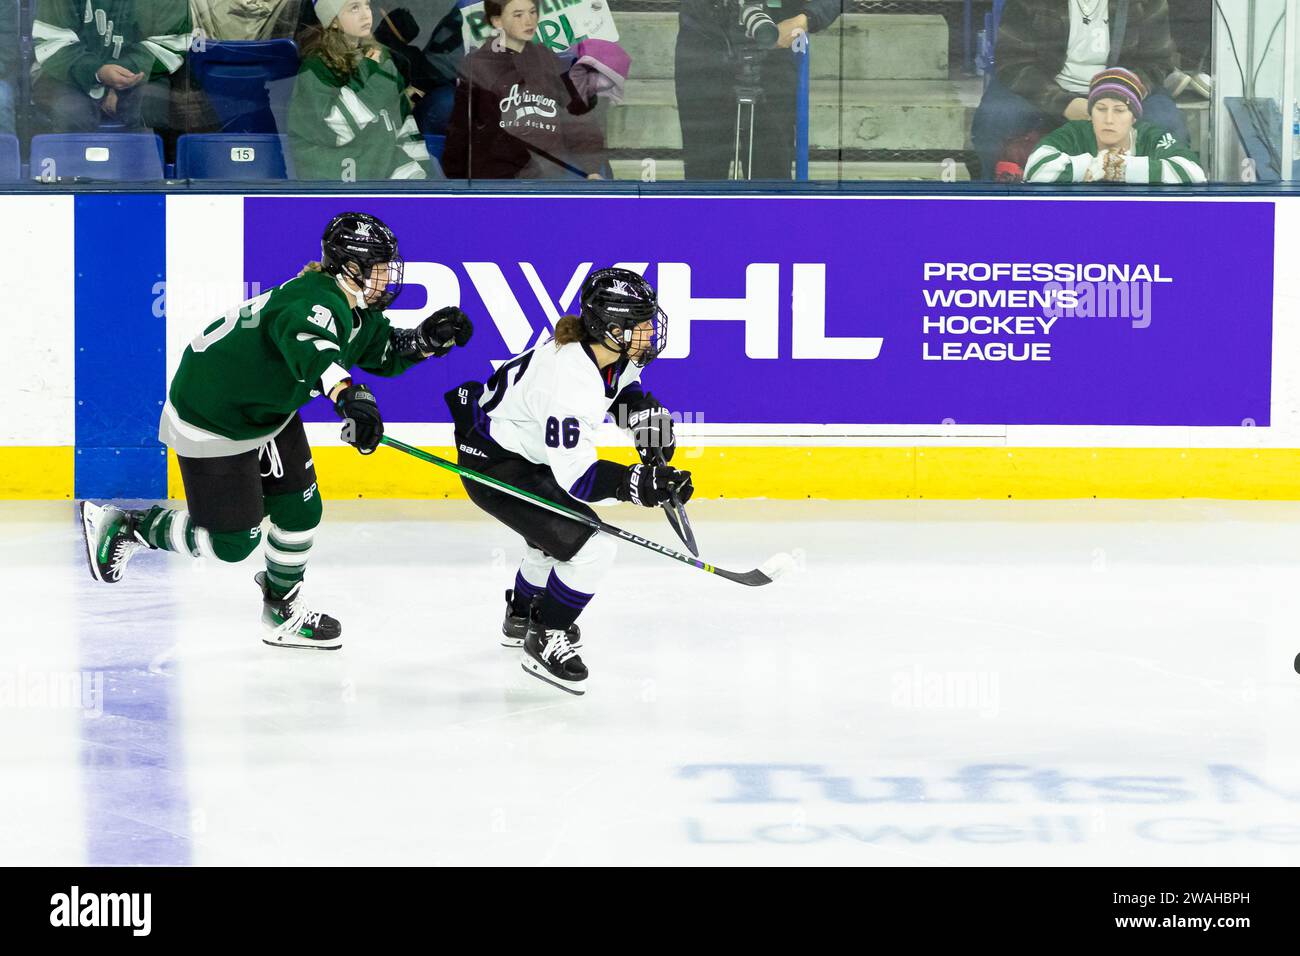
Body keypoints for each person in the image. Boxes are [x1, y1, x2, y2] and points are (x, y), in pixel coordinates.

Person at [80, 213, 474, 650]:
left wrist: (426, 339)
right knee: (232, 544)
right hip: (215, 414)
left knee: (301, 511)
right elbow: (313, 351)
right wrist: (349, 396)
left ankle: (281, 612)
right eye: (380, 266)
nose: (388, 276)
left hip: (266, 410)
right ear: (352, 268)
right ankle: (131, 527)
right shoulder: (315, 301)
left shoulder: (352, 308)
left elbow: (382, 351)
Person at [445, 269, 693, 694]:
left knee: (550, 540)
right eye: (641, 323)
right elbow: (578, 479)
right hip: (495, 466)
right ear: (612, 328)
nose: (650, 332)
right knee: (592, 550)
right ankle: (544, 636)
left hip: (520, 451)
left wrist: (647, 426)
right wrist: (640, 484)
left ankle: (521, 615)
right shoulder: (570, 378)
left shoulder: (607, 353)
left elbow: (623, 394)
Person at [972, 0, 1187, 181]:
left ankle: (1158, 209)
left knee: (1166, 124)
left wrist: (1117, 98)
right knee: (995, 119)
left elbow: (1157, 61)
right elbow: (1012, 60)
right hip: (1045, 87)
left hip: (1122, 90)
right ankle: (999, 200)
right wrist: (1063, 103)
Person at [674, 0, 841, 180]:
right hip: (704, 43)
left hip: (773, 43)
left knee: (769, 173)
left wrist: (803, 20)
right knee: (703, 172)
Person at [441, 0, 606, 180]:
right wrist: (456, 185)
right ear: (497, 21)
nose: (529, 21)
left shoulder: (548, 61)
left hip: (547, 181)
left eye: (532, 12)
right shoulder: (477, 66)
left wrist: (592, 169)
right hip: (496, 184)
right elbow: (461, 130)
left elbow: (578, 119)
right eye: (518, 15)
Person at [288, 0, 434, 181]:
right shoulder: (316, 68)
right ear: (333, 20)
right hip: (336, 179)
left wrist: (421, 168)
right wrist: (369, 77)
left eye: (367, 4)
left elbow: (400, 120)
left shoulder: (380, 58)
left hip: (382, 168)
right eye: (354, 8)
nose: (366, 14)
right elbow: (335, 131)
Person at [31, 1, 192, 135]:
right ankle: (74, 172)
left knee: (151, 106)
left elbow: (171, 41)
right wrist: (98, 74)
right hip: (70, 74)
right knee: (70, 110)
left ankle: (145, 172)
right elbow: (53, 39)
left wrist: (122, 77)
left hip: (140, 77)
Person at [1025, 67, 1204, 183]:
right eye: (1101, 109)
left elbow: (1193, 174)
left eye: (1119, 110)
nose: (1109, 119)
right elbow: (1036, 169)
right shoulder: (1075, 131)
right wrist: (1098, 164)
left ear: (1133, 117)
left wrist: (1121, 168)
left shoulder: (1150, 136)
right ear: (1090, 113)